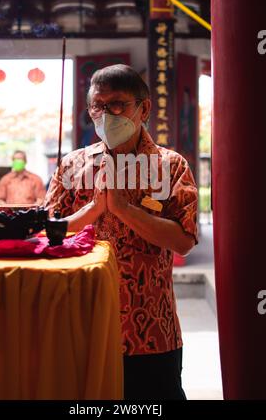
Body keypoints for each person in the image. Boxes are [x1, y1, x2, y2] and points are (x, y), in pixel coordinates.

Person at [44, 65, 198, 400]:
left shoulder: (170, 166)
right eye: (98, 106)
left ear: (143, 108)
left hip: (151, 329)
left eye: (118, 105)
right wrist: (91, 212)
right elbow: (47, 234)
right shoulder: (72, 166)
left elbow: (184, 241)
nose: (106, 114)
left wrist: (125, 211)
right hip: (81, 322)